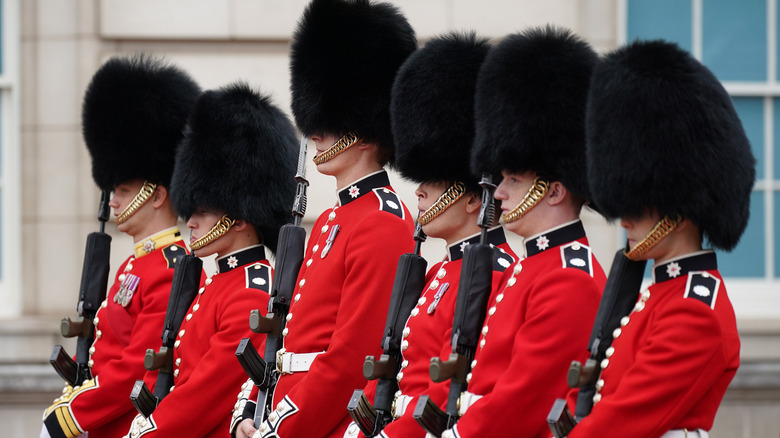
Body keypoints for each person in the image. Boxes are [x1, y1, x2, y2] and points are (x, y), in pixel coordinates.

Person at [233, 1, 417, 437]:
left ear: (363, 128)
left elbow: (350, 361)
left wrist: (279, 427)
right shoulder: (331, 222)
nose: (315, 132)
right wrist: (248, 411)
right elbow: (287, 341)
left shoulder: (383, 222)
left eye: (329, 123)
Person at [566, 40, 754, 438]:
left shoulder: (694, 311)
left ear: (679, 212)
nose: (625, 217)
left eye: (641, 203)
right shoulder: (656, 295)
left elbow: (619, 424)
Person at [432, 26, 608, 438]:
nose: (501, 192)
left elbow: (523, 399)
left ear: (554, 190)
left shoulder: (570, 278)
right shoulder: (528, 267)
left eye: (513, 179)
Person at [342, 32, 518, 438]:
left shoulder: (497, 271)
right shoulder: (441, 270)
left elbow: (447, 389)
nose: (418, 190)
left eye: (434, 180)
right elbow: (397, 362)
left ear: (473, 197)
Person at [123, 83, 297, 437]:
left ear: (240, 217)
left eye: (202, 211)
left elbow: (204, 396)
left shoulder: (251, 292)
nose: (191, 221)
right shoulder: (218, 282)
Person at [41, 54, 200, 438]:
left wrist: (69, 417)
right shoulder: (135, 264)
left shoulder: (169, 270)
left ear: (157, 194)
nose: (113, 200)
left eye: (123, 190)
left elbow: (135, 368)